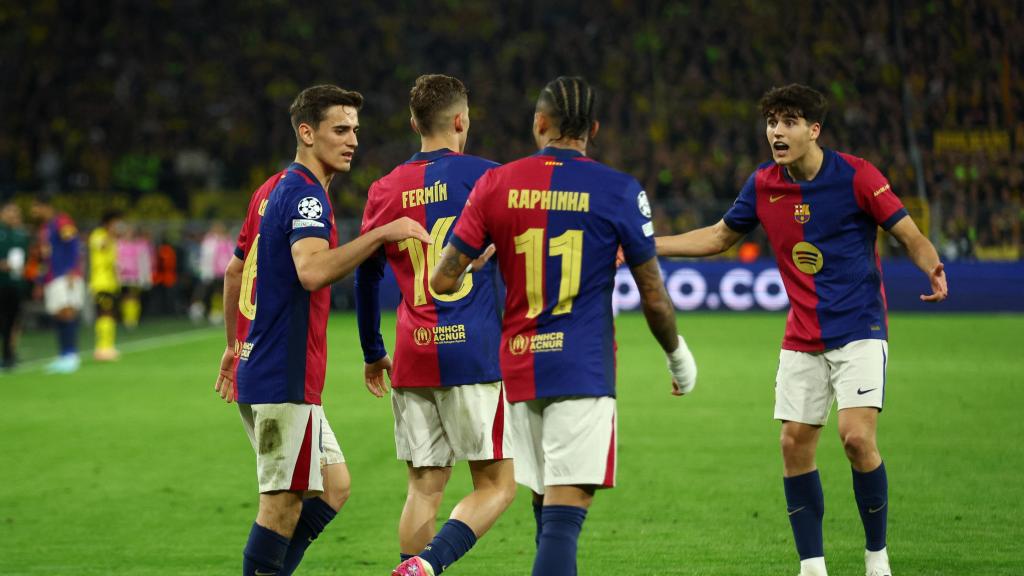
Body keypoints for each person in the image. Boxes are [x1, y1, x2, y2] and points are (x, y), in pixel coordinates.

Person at [655, 84, 948, 576]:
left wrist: (932, 265)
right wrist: (648, 245)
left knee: (856, 438)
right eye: (771, 121)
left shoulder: (858, 176)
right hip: (802, 334)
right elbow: (719, 237)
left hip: (860, 326)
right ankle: (812, 567)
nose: (777, 131)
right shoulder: (763, 184)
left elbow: (908, 233)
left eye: (789, 122)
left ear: (814, 130)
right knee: (793, 443)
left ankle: (876, 557)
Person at [431, 76, 698, 576]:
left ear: (540, 123)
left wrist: (478, 260)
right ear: (593, 129)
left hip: (519, 370)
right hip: (582, 368)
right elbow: (654, 296)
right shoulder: (619, 190)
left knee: (545, 504)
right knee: (563, 519)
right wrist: (677, 357)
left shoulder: (495, 184)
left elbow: (442, 280)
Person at [211, 84, 430, 576]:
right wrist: (380, 233)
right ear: (307, 133)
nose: (353, 140)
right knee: (281, 504)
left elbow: (235, 271)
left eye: (355, 130)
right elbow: (311, 271)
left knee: (333, 485)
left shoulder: (271, 189)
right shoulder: (307, 195)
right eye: (340, 129)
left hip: (265, 365)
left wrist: (233, 345)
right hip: (281, 373)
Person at [354, 74, 513, 576]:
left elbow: (365, 277)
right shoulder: (490, 177)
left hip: (413, 353)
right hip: (476, 355)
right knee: (497, 485)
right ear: (461, 119)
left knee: (424, 488)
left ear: (413, 123)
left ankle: (411, 568)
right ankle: (427, 566)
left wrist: (371, 350)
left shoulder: (383, 189)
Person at [31, 193, 84, 374]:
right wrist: (40, 281)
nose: (33, 211)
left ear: (44, 206)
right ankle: (63, 355)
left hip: (65, 274)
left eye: (35, 207)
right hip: (51, 276)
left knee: (67, 312)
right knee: (58, 315)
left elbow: (74, 244)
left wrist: (72, 270)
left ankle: (71, 355)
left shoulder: (62, 221)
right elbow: (45, 256)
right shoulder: (45, 228)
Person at [88, 210, 123, 361]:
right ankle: (101, 348)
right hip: (100, 282)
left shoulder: (113, 239)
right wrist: (110, 233)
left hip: (111, 283)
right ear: (108, 223)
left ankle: (108, 346)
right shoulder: (97, 235)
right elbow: (102, 246)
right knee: (104, 313)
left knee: (110, 314)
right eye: (116, 222)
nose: (119, 226)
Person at [0, 202, 30, 370]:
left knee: (13, 321)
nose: (13, 216)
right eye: (10, 212)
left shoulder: (21, 234)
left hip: (16, 283)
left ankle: (9, 353)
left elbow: (27, 258)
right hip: (1, 282)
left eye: (16, 213)